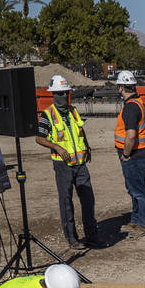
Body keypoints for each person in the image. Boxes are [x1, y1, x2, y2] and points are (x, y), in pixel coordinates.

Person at [36, 74, 99, 250]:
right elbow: (39, 138)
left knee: (88, 200)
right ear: (53, 95)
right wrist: (57, 147)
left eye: (66, 93)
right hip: (63, 165)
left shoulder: (73, 111)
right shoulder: (47, 115)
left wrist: (87, 147)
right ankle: (72, 238)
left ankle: (92, 236)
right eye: (60, 93)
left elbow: (80, 130)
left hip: (80, 164)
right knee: (66, 201)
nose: (64, 96)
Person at [114, 70, 145, 232]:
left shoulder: (131, 107)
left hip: (134, 155)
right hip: (139, 153)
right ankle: (136, 220)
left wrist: (126, 155)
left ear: (121, 87)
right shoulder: (137, 102)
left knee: (138, 190)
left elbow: (130, 136)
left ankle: (142, 224)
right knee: (134, 188)